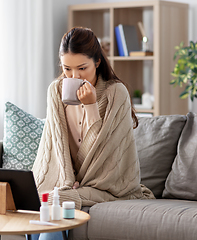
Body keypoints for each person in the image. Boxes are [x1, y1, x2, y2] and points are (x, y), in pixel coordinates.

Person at [31, 27, 154, 240]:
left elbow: (105, 153)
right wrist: (68, 182)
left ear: (97, 62)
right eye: (67, 68)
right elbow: (57, 148)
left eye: (82, 68)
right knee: (40, 203)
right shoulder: (55, 91)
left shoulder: (116, 93)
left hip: (104, 184)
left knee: (54, 203)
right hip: (68, 182)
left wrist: (90, 106)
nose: (74, 76)